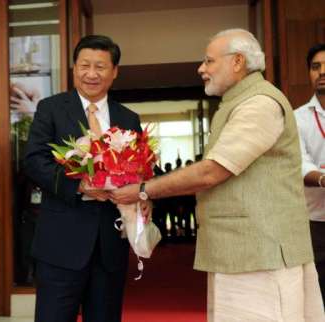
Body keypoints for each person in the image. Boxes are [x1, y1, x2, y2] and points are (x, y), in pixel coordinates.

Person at [111, 28, 324, 321]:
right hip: (242, 252)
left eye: (209, 61)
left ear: (237, 62)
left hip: (261, 254)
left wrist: (144, 189)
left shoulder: (259, 104)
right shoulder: (238, 102)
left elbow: (212, 171)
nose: (201, 68)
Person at [23, 35, 150, 322]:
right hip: (60, 244)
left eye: (100, 67)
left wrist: (142, 195)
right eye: (84, 65)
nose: (91, 74)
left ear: (114, 71)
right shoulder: (51, 108)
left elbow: (141, 170)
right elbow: (34, 161)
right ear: (74, 68)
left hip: (109, 246)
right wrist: (79, 185)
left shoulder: (128, 118)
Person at [295, 43, 325, 302]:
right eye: (316, 67)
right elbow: (299, 163)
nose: (322, 72)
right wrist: (323, 178)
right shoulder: (297, 118)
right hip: (313, 220)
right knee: (318, 293)